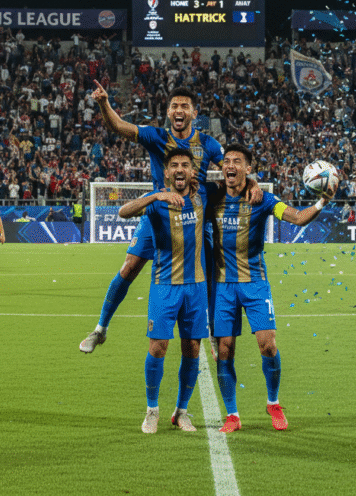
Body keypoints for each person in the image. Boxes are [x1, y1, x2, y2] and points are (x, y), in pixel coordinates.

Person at [80, 82, 243, 353]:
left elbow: (230, 167)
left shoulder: (208, 144)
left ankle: (215, 330)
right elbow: (119, 126)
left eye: (185, 106)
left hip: (197, 216)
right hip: (159, 215)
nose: (179, 110)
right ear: (168, 112)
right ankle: (100, 329)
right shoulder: (156, 136)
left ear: (194, 112)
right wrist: (103, 103)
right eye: (175, 106)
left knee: (212, 271)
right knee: (129, 268)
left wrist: (247, 182)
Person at [208, 145, 335, 433]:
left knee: (268, 344)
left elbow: (297, 218)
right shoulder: (212, 196)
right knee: (225, 350)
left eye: (237, 162)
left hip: (255, 284)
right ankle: (232, 415)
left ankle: (273, 403)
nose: (230, 165)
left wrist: (321, 202)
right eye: (226, 161)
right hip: (224, 286)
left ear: (248, 169)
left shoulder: (263, 200)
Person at [118, 149, 208, 433]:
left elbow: (237, 185)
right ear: (167, 172)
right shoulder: (156, 203)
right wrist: (156, 195)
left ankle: (181, 412)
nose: (180, 169)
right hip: (164, 285)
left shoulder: (203, 196)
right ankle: (152, 410)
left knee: (192, 348)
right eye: (174, 166)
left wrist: (253, 185)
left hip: (195, 287)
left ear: (192, 172)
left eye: (185, 165)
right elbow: (123, 211)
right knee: (158, 347)